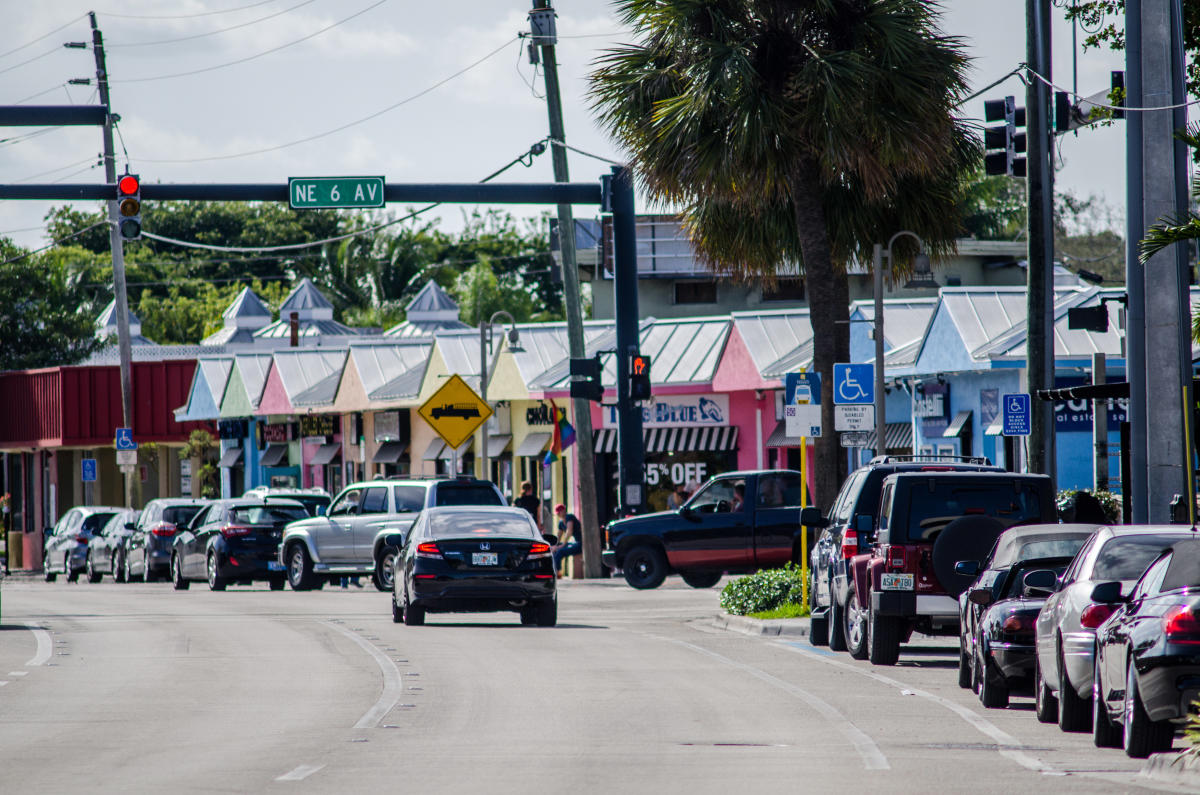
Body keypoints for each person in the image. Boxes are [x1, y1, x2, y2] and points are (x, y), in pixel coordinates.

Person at [552, 503, 582, 576]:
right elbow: (559, 536)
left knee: (560, 551)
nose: (558, 514)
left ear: (563, 511)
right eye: (557, 513)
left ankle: (557, 572)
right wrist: (555, 545)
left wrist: (563, 545)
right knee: (553, 550)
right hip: (573, 543)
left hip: (580, 543)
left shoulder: (569, 517)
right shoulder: (561, 522)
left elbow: (569, 531)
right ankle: (553, 570)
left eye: (559, 512)